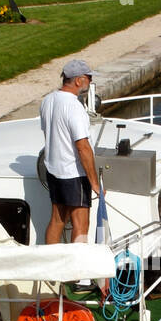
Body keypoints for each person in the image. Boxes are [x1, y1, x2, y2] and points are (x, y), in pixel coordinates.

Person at [40, 59, 103, 246]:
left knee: (57, 219)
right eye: (89, 79)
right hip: (73, 174)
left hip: (53, 170)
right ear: (78, 81)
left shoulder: (47, 100)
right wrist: (94, 184)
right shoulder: (74, 107)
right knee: (81, 225)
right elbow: (83, 147)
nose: (90, 83)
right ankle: (78, 272)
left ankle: (52, 267)